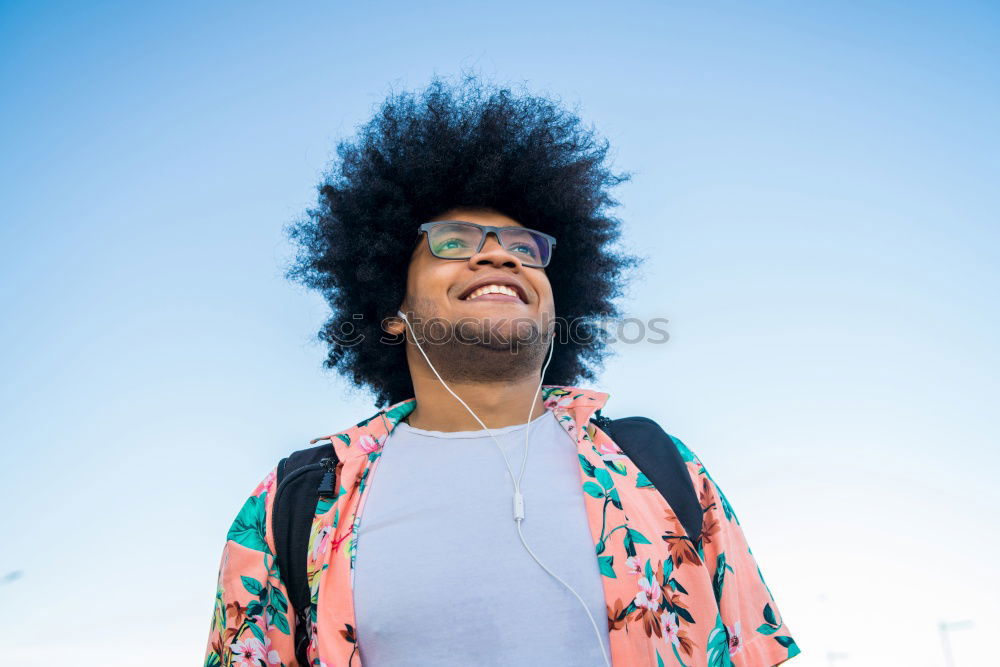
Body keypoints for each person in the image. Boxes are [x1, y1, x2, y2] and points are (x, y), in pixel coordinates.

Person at [204, 76, 801, 667]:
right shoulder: (297, 500)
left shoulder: (659, 465)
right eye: (453, 242)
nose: (498, 254)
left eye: (524, 247)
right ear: (390, 311)